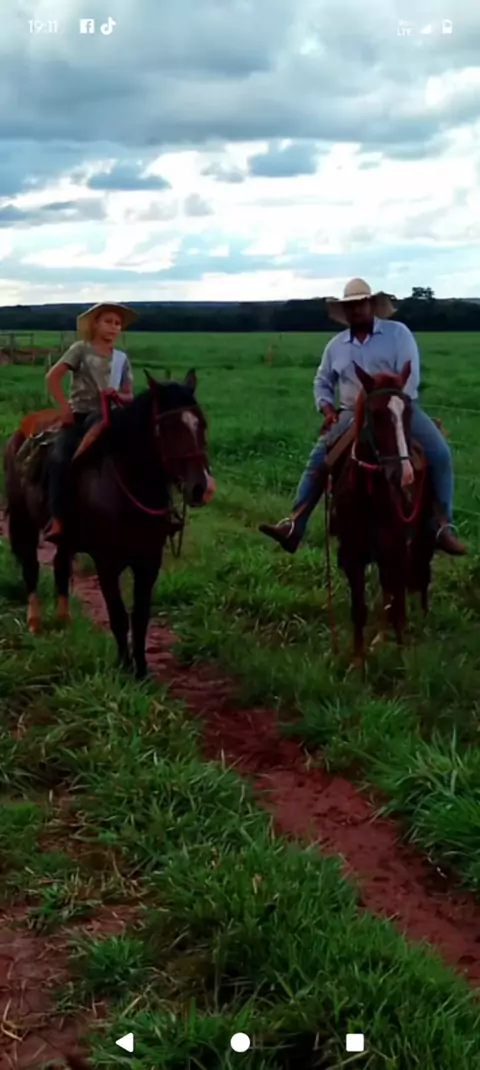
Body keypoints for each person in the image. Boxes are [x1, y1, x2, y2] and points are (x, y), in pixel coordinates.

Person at [259, 277, 466, 557]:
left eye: (360, 304)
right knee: (319, 460)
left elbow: (410, 377)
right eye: (350, 306)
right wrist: (327, 408)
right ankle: (295, 524)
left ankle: (443, 526)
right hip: (351, 413)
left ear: (371, 305)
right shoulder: (336, 346)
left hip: (396, 408)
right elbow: (322, 381)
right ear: (345, 311)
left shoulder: (398, 334)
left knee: (439, 454)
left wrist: (388, 404)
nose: (356, 310)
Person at [43, 302, 137, 542]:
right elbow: (52, 377)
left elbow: (130, 395)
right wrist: (64, 408)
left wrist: (118, 396)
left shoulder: (121, 359)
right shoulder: (80, 349)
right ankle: (58, 518)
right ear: (95, 324)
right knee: (60, 459)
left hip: (113, 418)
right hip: (81, 416)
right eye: (108, 322)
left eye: (118, 324)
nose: (113, 327)